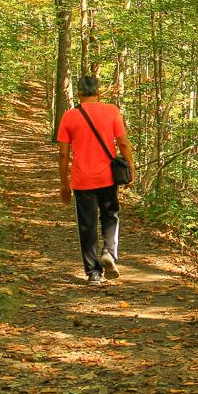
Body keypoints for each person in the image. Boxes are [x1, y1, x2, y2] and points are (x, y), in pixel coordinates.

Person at [57, 75, 135, 285]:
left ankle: (94, 273)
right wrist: (131, 169)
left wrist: (64, 183)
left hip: (82, 179)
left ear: (79, 94)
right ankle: (109, 252)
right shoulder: (111, 111)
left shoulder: (69, 116)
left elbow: (63, 154)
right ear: (99, 92)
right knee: (110, 215)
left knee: (87, 224)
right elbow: (124, 143)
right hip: (108, 177)